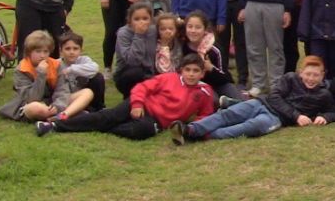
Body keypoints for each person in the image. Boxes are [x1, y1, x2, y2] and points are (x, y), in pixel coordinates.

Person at [36, 54, 215, 139]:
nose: (191, 74)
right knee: (109, 116)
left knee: (140, 132)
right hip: (141, 105)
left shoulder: (205, 92)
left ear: (201, 74)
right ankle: (54, 126)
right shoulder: (169, 78)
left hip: (157, 121)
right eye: (187, 70)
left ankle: (99, 126)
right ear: (181, 70)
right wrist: (137, 104)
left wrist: (193, 129)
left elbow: (205, 115)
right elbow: (142, 88)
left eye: (196, 71)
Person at [170, 56, 335, 143]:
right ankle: (189, 130)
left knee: (249, 127)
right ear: (301, 72)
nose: (311, 78)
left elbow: (334, 111)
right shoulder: (290, 78)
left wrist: (325, 117)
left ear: (322, 76)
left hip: (275, 119)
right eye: (308, 74)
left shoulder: (323, 94)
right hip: (261, 103)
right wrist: (297, 116)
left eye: (316, 75)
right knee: (228, 115)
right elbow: (275, 96)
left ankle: (206, 136)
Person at [0, 30, 91, 121]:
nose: (42, 56)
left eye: (45, 52)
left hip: (53, 101)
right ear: (29, 52)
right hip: (32, 103)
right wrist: (41, 74)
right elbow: (32, 98)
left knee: (87, 92)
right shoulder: (22, 69)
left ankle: (62, 115)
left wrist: (58, 105)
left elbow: (62, 90)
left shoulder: (56, 65)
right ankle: (69, 113)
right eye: (38, 51)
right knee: (35, 108)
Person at [182, 11, 241, 101]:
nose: (193, 31)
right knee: (214, 101)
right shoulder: (182, 46)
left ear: (205, 30)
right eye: (190, 27)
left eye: (198, 27)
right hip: (196, 84)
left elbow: (224, 77)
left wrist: (211, 68)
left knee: (238, 100)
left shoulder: (214, 49)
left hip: (219, 83)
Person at [113, 2, 157, 98]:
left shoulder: (153, 31)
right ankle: (129, 99)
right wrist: (139, 35)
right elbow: (132, 61)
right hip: (127, 74)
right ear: (130, 20)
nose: (141, 22)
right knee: (136, 73)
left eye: (145, 18)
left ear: (151, 19)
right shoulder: (123, 33)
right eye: (136, 19)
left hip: (150, 72)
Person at [56, 31, 105, 113]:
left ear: (81, 50)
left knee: (98, 77)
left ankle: (99, 107)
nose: (72, 52)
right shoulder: (57, 64)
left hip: (86, 94)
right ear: (61, 51)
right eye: (67, 49)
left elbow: (95, 68)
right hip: (67, 97)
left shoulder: (84, 60)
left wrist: (71, 69)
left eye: (75, 48)